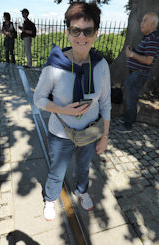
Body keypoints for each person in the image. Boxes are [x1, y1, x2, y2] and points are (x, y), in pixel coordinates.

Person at [34, 2, 111, 221]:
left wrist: (105, 136)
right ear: (68, 33)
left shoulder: (100, 65)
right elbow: (38, 98)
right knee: (57, 171)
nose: (81, 36)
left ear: (96, 33)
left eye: (88, 31)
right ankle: (50, 199)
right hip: (61, 132)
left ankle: (81, 191)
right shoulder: (55, 64)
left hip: (88, 133)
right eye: (75, 30)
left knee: (84, 168)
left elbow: (105, 103)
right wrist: (61, 108)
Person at [116, 12, 159, 133]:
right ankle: (129, 118)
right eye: (142, 20)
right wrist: (133, 51)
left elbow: (149, 60)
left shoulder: (152, 39)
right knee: (131, 98)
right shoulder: (150, 37)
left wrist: (131, 54)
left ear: (153, 24)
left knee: (131, 100)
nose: (142, 23)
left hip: (137, 74)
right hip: (135, 74)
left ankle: (127, 125)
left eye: (145, 20)